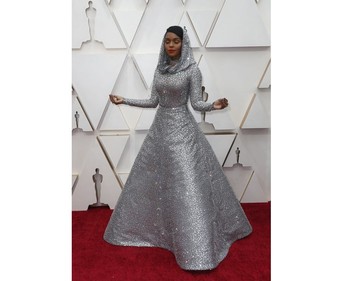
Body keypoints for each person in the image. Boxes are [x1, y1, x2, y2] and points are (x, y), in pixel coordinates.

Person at [103, 26, 252, 271]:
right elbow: (153, 101)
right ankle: (163, 233)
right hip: (160, 131)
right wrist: (124, 99)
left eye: (176, 41)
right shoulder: (160, 70)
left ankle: (196, 245)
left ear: (184, 44)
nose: (171, 45)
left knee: (187, 183)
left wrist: (213, 105)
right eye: (167, 41)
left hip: (183, 130)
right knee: (159, 183)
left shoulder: (192, 70)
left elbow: (196, 103)